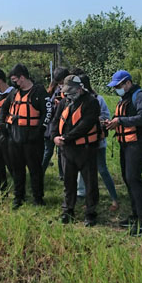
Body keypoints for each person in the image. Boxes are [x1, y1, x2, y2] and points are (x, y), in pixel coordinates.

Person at [105, 70, 142, 236]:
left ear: (127, 82)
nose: (116, 89)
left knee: (134, 179)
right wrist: (111, 122)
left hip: (138, 144)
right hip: (125, 144)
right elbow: (121, 116)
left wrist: (120, 121)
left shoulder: (140, 97)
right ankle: (135, 216)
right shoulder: (125, 98)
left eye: (118, 86)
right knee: (127, 179)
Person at [49, 75, 101, 226]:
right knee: (68, 182)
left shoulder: (92, 102)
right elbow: (55, 120)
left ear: (80, 88)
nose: (67, 94)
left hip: (86, 149)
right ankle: (68, 211)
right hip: (67, 150)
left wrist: (65, 138)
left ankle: (90, 213)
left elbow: (85, 125)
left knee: (91, 183)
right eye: (66, 90)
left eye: (71, 90)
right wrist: (54, 137)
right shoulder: (64, 102)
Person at [74, 72, 119, 212]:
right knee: (84, 170)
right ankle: (84, 196)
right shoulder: (75, 100)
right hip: (81, 142)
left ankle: (115, 199)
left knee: (102, 169)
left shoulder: (98, 99)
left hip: (97, 142)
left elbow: (105, 118)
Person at [7, 64, 49, 209]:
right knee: (17, 170)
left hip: (32, 139)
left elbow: (47, 113)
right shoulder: (13, 93)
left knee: (35, 170)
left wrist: (38, 132)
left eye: (15, 80)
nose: (14, 83)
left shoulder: (39, 92)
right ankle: (18, 197)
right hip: (15, 137)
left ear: (22, 78)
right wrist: (5, 127)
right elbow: (4, 110)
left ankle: (38, 198)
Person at [42, 67, 69, 179]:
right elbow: (48, 107)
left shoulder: (70, 90)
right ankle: (40, 172)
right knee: (48, 151)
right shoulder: (54, 90)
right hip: (53, 125)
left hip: (64, 124)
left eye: (62, 82)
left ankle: (62, 174)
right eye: (59, 83)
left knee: (61, 152)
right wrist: (55, 105)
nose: (61, 85)